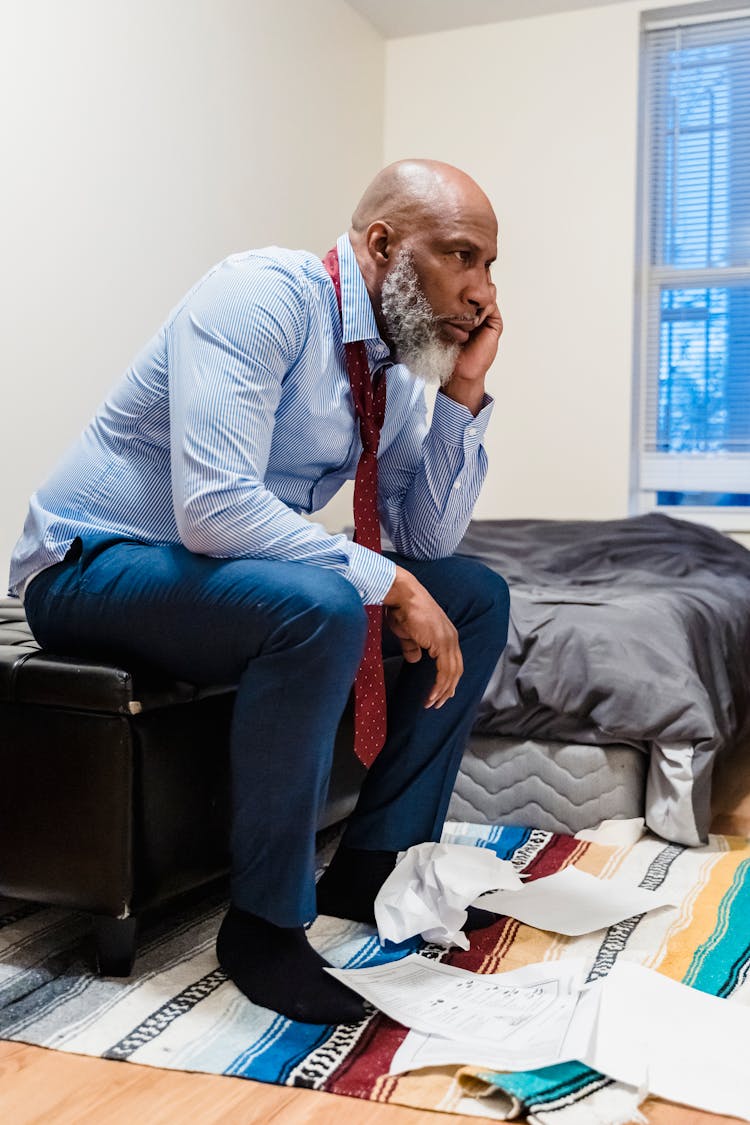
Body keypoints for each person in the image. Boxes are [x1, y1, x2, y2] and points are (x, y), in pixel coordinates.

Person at [9, 159, 510, 1025]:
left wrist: (462, 393)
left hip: (212, 578)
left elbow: (422, 545)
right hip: (91, 564)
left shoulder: (390, 370)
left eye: (491, 267)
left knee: (472, 595)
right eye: (463, 256)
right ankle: (264, 926)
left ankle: (375, 861)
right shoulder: (262, 295)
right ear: (384, 245)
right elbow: (211, 506)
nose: (481, 292)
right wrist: (382, 580)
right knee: (314, 605)